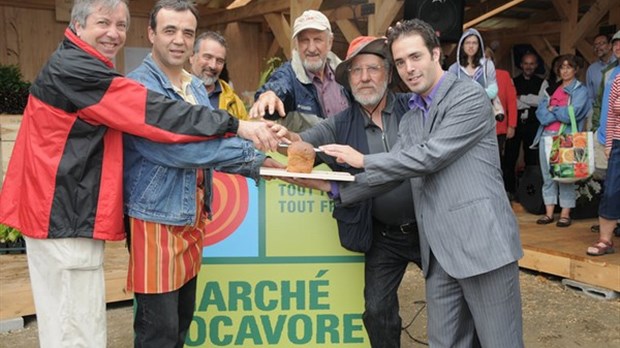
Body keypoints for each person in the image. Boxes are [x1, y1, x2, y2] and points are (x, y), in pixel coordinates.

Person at [0, 0, 283, 347]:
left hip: (76, 213)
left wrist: (251, 148)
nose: (114, 33)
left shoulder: (89, 68)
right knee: (78, 331)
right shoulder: (81, 72)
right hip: (64, 214)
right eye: (103, 23)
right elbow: (161, 125)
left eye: (120, 25)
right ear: (76, 25)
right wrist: (240, 132)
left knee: (94, 326)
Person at [320, 19, 524, 347]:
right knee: (443, 342)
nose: (408, 69)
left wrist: (362, 159)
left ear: (435, 54)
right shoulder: (413, 115)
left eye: (415, 57)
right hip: (439, 254)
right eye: (400, 62)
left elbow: (430, 156)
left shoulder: (468, 97)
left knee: (499, 342)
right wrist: (331, 187)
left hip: (482, 244)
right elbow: (395, 171)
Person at [124, 1, 284, 346]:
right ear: (151, 33)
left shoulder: (195, 87)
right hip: (154, 220)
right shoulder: (137, 87)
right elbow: (176, 149)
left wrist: (262, 161)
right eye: (170, 30)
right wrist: (249, 146)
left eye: (187, 32)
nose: (179, 40)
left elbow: (210, 146)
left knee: (182, 322)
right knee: (158, 331)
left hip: (192, 216)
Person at [277, 36, 420, 348]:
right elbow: (301, 142)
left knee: (453, 299)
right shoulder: (339, 123)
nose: (365, 77)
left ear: (389, 74)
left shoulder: (414, 109)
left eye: (373, 68)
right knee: (377, 311)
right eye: (356, 71)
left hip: (430, 226)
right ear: (348, 79)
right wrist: (280, 133)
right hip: (384, 236)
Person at [249, 9, 350, 131]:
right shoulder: (289, 75)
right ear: (296, 44)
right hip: (309, 150)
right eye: (304, 40)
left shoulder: (345, 74)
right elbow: (279, 84)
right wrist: (269, 94)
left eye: (317, 39)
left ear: (330, 42)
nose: (311, 48)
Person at [531, 54, 591, 227]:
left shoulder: (581, 90)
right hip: (545, 136)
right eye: (562, 67)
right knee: (547, 176)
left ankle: (565, 214)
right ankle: (549, 213)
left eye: (569, 67)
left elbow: (572, 113)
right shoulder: (550, 89)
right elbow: (541, 115)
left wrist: (554, 109)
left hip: (566, 137)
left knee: (566, 176)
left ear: (575, 69)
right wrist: (558, 111)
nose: (565, 70)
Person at [587, 74, 619, 256]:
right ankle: (605, 240)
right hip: (618, 143)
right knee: (612, 190)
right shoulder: (617, 80)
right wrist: (608, 144)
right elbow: (610, 116)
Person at [505, 52, 544, 198]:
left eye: (532, 63)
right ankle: (510, 190)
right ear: (521, 65)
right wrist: (530, 100)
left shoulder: (542, 82)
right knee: (510, 157)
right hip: (515, 124)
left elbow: (541, 101)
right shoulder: (512, 81)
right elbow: (512, 102)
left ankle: (530, 193)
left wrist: (521, 97)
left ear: (536, 65)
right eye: (526, 63)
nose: (528, 66)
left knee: (531, 159)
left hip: (533, 126)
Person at [190, 31, 248, 120]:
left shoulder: (234, 102)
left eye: (219, 61)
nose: (213, 66)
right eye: (207, 57)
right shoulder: (174, 93)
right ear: (191, 57)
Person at [448, 28, 498, 102]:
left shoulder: (487, 65)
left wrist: (469, 94)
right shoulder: (454, 69)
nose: (471, 46)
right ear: (462, 46)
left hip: (484, 109)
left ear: (479, 46)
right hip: (462, 111)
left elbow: (493, 91)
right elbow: (451, 94)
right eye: (467, 43)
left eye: (474, 43)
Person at [485, 47, 517, 157]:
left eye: (486, 58)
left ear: (492, 60)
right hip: (477, 127)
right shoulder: (469, 77)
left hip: (498, 126)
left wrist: (512, 125)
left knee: (496, 160)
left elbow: (512, 101)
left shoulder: (503, 75)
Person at [586, 34, 616, 130]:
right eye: (595, 45)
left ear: (610, 45)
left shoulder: (618, 64)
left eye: (602, 43)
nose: (598, 47)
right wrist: (593, 114)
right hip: (599, 114)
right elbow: (590, 96)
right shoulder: (591, 69)